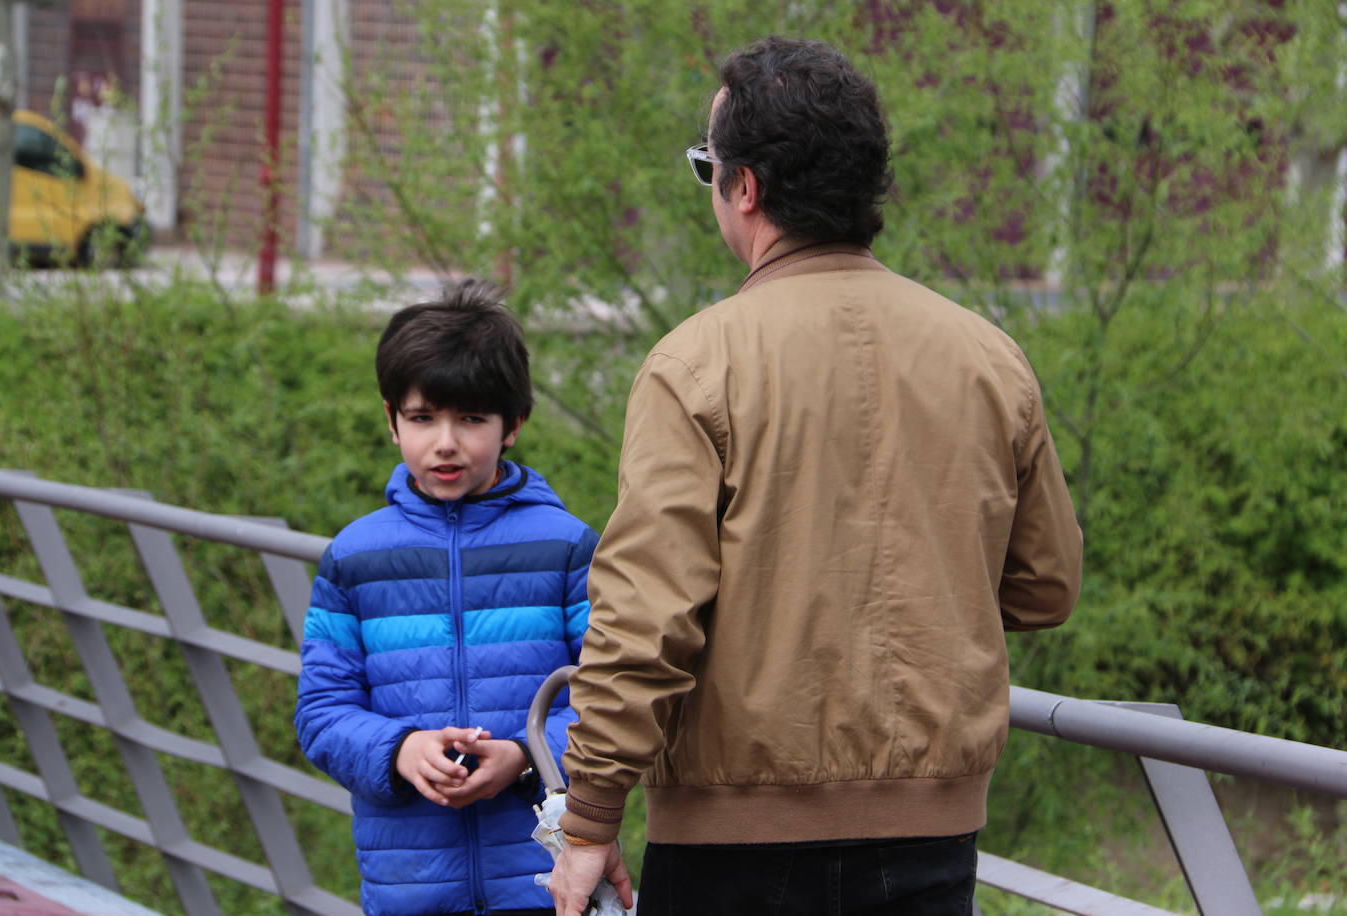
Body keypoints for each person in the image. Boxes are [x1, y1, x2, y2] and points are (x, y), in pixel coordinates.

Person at [548, 36, 1083, 916]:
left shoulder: (696, 364)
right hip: (933, 832)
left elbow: (644, 619)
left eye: (707, 168)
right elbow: (1045, 588)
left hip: (730, 844)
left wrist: (590, 815)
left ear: (746, 187)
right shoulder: (988, 358)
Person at [295, 279, 599, 916]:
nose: (445, 443)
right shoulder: (355, 559)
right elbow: (321, 711)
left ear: (513, 424)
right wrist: (400, 750)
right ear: (391, 420)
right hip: (409, 887)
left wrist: (523, 754)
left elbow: (610, 700)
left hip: (544, 882)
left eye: (471, 419)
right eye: (422, 417)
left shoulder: (567, 548)